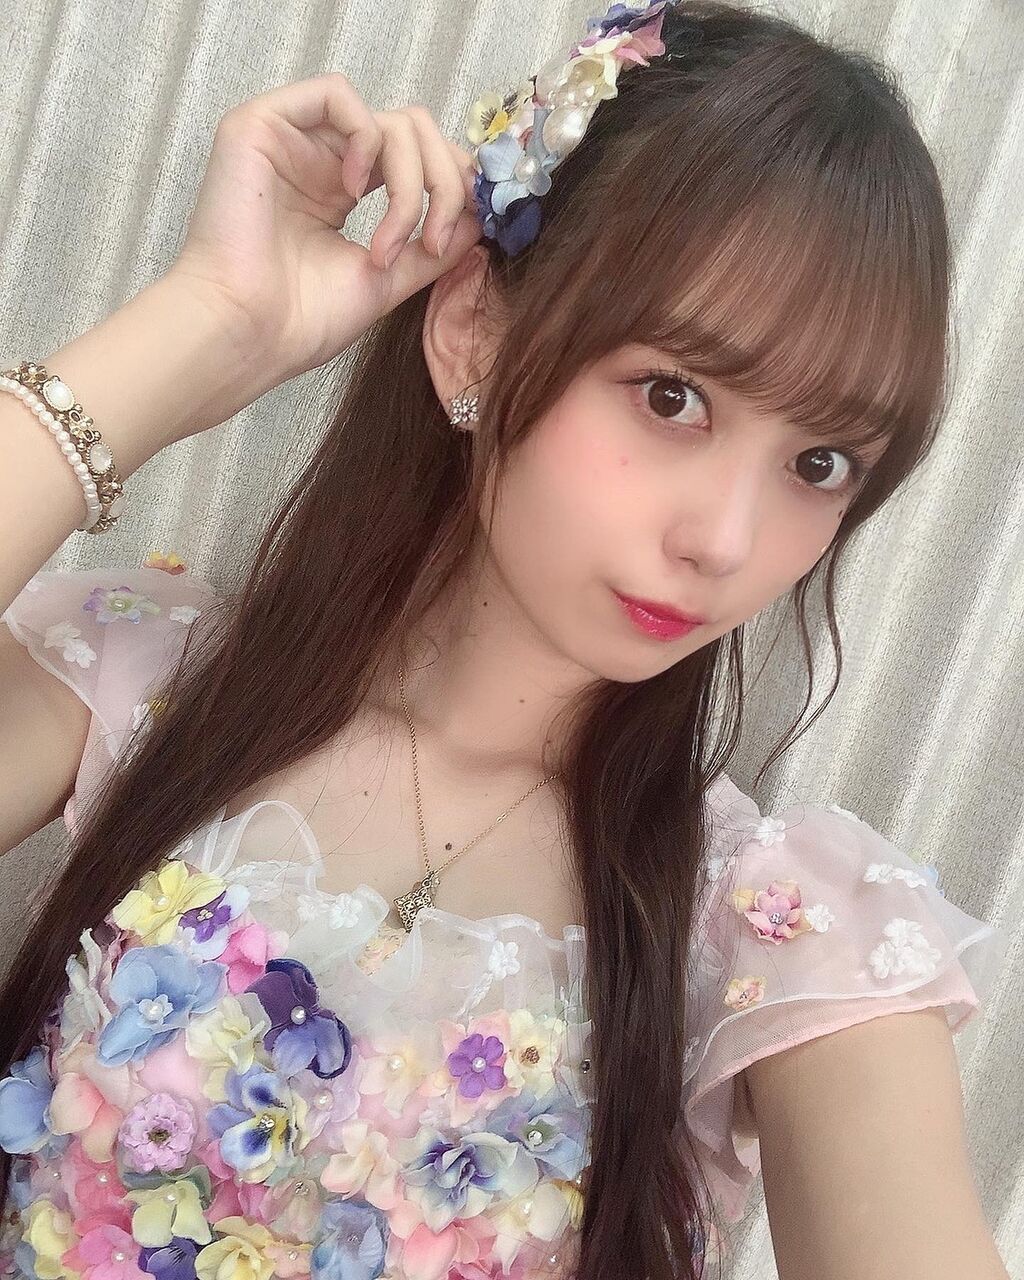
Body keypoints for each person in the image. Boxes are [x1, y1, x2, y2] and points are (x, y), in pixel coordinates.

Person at [0, 1, 1011, 1278]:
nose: (726, 538)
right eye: (672, 395)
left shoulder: (771, 930)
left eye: (819, 462)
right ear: (474, 322)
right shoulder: (146, 684)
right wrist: (207, 323)